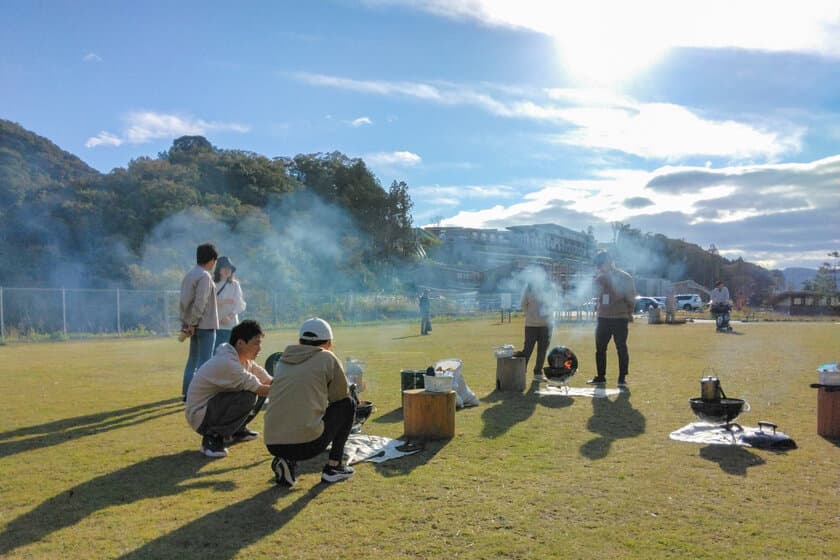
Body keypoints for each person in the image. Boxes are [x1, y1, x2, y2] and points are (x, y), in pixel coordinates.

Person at [263, 317, 356, 487]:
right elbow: (340, 396)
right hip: (307, 445)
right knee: (348, 405)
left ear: (300, 341)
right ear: (328, 342)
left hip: (272, 442)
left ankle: (287, 461)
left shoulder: (283, 360)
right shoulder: (327, 357)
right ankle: (334, 467)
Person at [185, 320, 272, 458]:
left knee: (254, 392)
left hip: (211, 408)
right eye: (256, 343)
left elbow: (268, 381)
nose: (260, 348)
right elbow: (260, 388)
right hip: (199, 415)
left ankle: (236, 430)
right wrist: (291, 388)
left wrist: (287, 381)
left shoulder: (245, 360)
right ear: (240, 343)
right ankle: (212, 438)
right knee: (249, 395)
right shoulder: (228, 363)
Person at [589, 251, 636, 388]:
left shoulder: (624, 277)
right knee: (600, 348)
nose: (599, 268)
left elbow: (631, 297)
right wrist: (597, 282)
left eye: (600, 265)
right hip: (603, 318)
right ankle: (601, 376)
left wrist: (629, 313)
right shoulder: (600, 277)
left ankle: (622, 378)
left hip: (620, 318)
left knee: (621, 348)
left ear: (609, 262)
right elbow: (594, 294)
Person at [179, 243, 220, 400]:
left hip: (192, 325)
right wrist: (194, 322)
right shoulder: (205, 276)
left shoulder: (189, 275)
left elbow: (183, 302)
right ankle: (201, 394)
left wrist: (187, 323)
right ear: (211, 260)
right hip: (204, 325)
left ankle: (188, 393)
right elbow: (201, 301)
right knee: (205, 362)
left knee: (192, 360)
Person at [515, 282, 553, 382]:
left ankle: (538, 373)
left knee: (542, 350)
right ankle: (520, 372)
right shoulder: (528, 288)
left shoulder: (549, 287)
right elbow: (523, 304)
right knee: (527, 349)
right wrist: (530, 315)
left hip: (546, 325)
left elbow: (553, 303)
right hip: (531, 325)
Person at [213, 256, 246, 352]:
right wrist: (222, 302)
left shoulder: (235, 284)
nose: (227, 270)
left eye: (229, 268)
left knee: (231, 353)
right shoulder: (212, 283)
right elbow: (207, 303)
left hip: (231, 326)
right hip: (215, 325)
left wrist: (230, 316)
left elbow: (240, 304)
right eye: (224, 267)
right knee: (216, 354)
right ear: (219, 269)